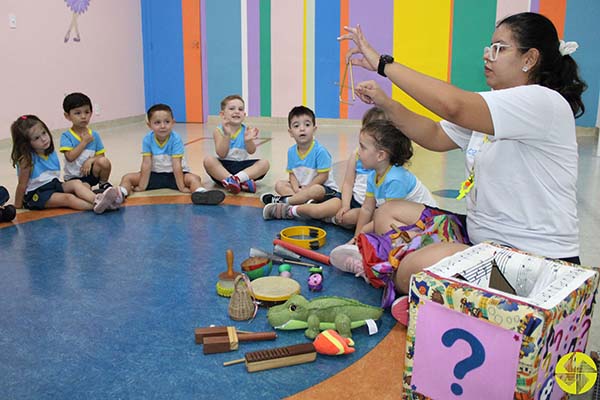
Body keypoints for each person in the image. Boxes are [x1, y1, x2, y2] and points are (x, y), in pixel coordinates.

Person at [338, 12, 586, 322]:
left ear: (530, 58)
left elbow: (453, 105)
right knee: (388, 212)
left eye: (500, 48)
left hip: (530, 260)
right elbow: (435, 135)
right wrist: (386, 103)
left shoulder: (543, 102)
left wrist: (384, 64)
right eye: (489, 47)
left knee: (409, 273)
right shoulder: (496, 105)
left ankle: (406, 272)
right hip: (481, 238)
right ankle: (434, 279)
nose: (488, 56)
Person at [10, 115, 120, 213]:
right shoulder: (26, 160)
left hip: (53, 184)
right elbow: (22, 185)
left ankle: (98, 199)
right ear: (26, 144)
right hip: (37, 193)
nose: (44, 139)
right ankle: (100, 206)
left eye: (44, 133)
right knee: (68, 199)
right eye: (36, 138)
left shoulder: (48, 150)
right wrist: (18, 205)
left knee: (76, 183)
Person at [119, 104, 225, 205]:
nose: (163, 126)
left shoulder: (176, 139)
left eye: (167, 122)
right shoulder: (147, 139)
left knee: (194, 179)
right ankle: (120, 194)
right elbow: (146, 163)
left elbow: (176, 164)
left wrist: (181, 187)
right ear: (149, 125)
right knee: (127, 178)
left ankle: (201, 194)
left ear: (173, 122)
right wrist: (142, 186)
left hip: (174, 175)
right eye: (157, 122)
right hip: (154, 175)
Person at [260, 105, 339, 210]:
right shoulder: (291, 152)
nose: (302, 129)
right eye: (296, 126)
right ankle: (303, 203)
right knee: (279, 185)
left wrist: (308, 189)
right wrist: (296, 189)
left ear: (314, 129)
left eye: (307, 125)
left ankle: (286, 201)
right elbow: (292, 175)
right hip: (302, 189)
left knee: (316, 190)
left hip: (323, 189)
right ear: (291, 132)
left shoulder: (320, 151)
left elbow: (322, 177)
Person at [203, 95, 270, 194]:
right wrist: (227, 135)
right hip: (224, 168)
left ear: (244, 114)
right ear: (222, 114)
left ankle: (236, 180)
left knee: (265, 163)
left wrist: (248, 141)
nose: (237, 111)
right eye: (231, 109)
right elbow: (221, 154)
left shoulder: (246, 130)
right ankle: (239, 182)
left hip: (243, 167)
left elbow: (251, 151)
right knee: (208, 161)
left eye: (240, 109)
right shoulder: (218, 131)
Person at [60, 92, 113, 193]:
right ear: (67, 116)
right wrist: (84, 142)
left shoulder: (94, 135)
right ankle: (89, 193)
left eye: (87, 112)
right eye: (78, 113)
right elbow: (70, 157)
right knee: (84, 188)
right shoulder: (66, 136)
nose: (83, 116)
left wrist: (91, 160)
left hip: (90, 174)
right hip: (73, 178)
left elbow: (101, 156)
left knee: (104, 162)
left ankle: (103, 184)